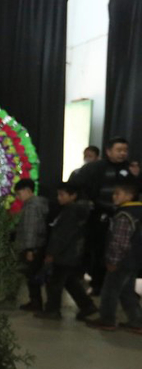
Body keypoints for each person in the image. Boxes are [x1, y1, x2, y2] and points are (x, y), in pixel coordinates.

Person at [70, 137, 134, 295]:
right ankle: (97, 284)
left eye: (125, 150)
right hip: (99, 215)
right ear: (109, 151)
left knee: (124, 251)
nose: (122, 153)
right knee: (99, 251)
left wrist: (136, 175)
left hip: (125, 217)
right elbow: (76, 184)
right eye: (119, 150)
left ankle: (124, 287)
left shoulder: (131, 168)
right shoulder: (95, 167)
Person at [35, 183, 98, 321]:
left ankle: (52, 310)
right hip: (72, 253)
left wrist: (51, 253)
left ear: (73, 196)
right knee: (70, 281)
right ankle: (87, 306)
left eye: (62, 195)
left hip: (63, 255)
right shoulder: (78, 211)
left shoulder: (71, 211)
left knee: (55, 283)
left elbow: (62, 236)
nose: (59, 198)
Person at [86, 182, 142, 332]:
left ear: (129, 196)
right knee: (127, 292)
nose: (114, 196)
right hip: (135, 259)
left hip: (122, 261)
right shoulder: (138, 212)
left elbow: (119, 241)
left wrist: (113, 261)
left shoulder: (124, 215)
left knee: (110, 290)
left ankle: (107, 319)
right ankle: (137, 321)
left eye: (118, 194)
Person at [14, 179, 49, 311]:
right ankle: (35, 302)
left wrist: (30, 249)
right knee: (33, 275)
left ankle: (35, 302)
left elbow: (31, 229)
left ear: (28, 191)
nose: (18, 197)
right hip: (38, 245)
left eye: (19, 193)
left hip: (33, 247)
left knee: (32, 276)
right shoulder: (39, 204)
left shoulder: (31, 207)